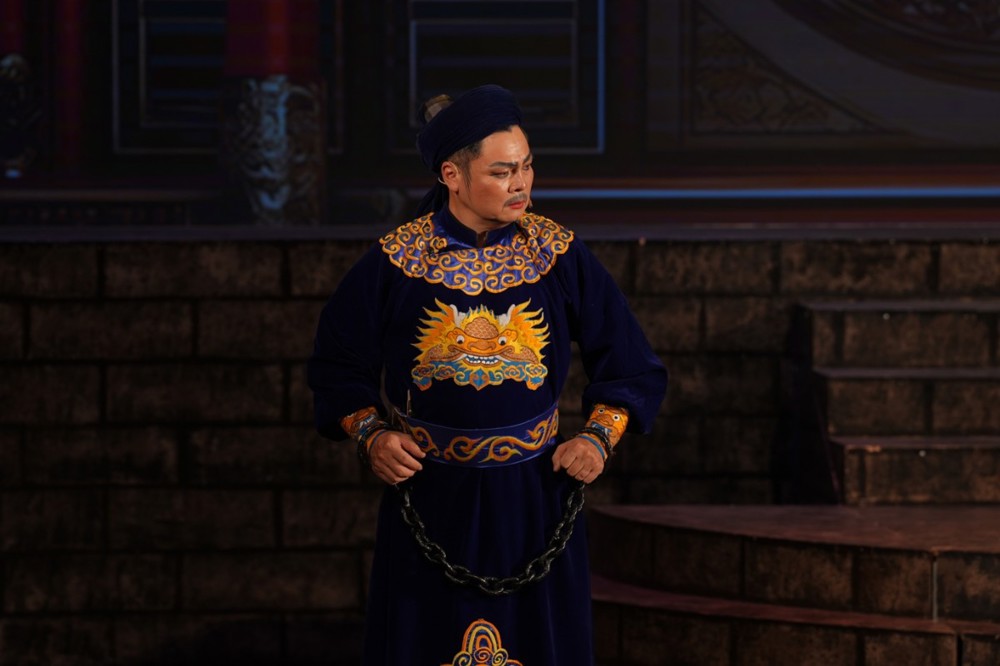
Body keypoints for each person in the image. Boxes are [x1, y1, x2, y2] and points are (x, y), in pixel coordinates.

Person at [308, 84, 667, 665]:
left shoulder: (556, 254)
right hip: (429, 494)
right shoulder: (398, 260)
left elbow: (629, 363)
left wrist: (598, 438)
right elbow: (336, 365)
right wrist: (371, 435)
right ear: (452, 175)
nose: (521, 183)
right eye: (502, 172)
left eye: (526, 166)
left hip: (536, 495)